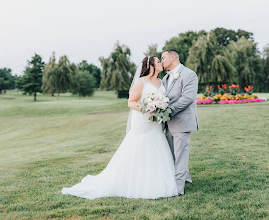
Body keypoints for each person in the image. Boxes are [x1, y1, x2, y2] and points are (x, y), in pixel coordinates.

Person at [61, 56, 178, 200]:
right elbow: (131, 102)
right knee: (139, 147)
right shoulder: (141, 82)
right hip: (142, 121)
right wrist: (147, 109)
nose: (161, 63)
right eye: (158, 61)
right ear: (152, 66)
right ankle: (133, 181)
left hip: (156, 123)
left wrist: (160, 108)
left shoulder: (161, 82)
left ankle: (157, 178)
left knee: (157, 145)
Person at [161, 49, 199, 195]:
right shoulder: (165, 78)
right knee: (172, 154)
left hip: (182, 122)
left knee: (181, 154)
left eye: (163, 58)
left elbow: (187, 98)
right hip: (168, 123)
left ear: (173, 57)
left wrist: (168, 111)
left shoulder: (189, 74)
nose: (162, 61)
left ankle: (178, 188)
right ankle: (186, 177)